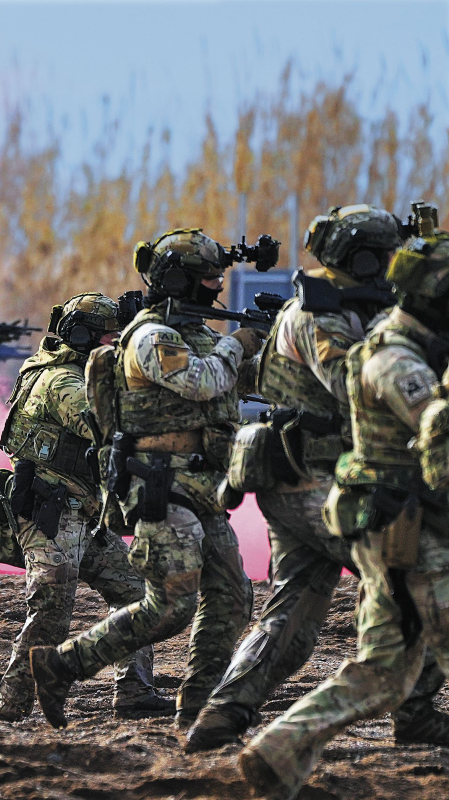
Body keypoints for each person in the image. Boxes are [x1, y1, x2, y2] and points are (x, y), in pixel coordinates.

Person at [187, 204, 449, 751]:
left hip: (304, 477)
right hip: (313, 478)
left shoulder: (342, 305)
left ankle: (222, 715)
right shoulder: (319, 315)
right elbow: (353, 385)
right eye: (385, 255)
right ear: (364, 258)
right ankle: (416, 711)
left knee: (294, 619)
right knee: (414, 574)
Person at [29, 229, 258, 729]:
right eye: (208, 278)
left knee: (232, 597)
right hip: (160, 485)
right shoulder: (151, 337)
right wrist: (238, 345)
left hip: (204, 487)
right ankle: (63, 665)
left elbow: (246, 381)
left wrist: (285, 341)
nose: (216, 287)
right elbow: (202, 381)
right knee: (171, 605)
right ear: (177, 281)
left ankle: (198, 705)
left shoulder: (200, 337)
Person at [0, 292, 172, 722]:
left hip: (83, 515)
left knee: (137, 593)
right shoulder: (61, 381)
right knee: (51, 611)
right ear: (85, 337)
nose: (116, 345)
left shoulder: (79, 372)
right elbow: (106, 423)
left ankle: (134, 690)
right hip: (51, 513)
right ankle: (9, 707)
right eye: (109, 337)